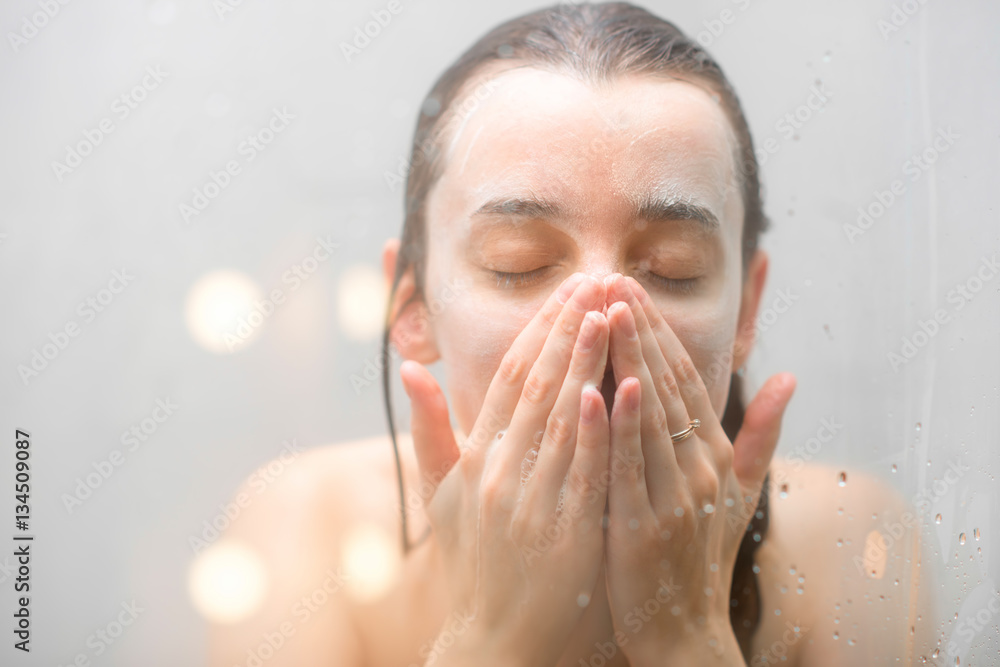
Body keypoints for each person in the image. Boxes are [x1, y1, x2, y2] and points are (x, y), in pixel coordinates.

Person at [210, 3, 938, 665]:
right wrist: (489, 637)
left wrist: (686, 639)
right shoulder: (310, 524)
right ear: (413, 305)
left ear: (746, 311)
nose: (599, 321)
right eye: (517, 263)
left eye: (672, 269)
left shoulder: (854, 540)